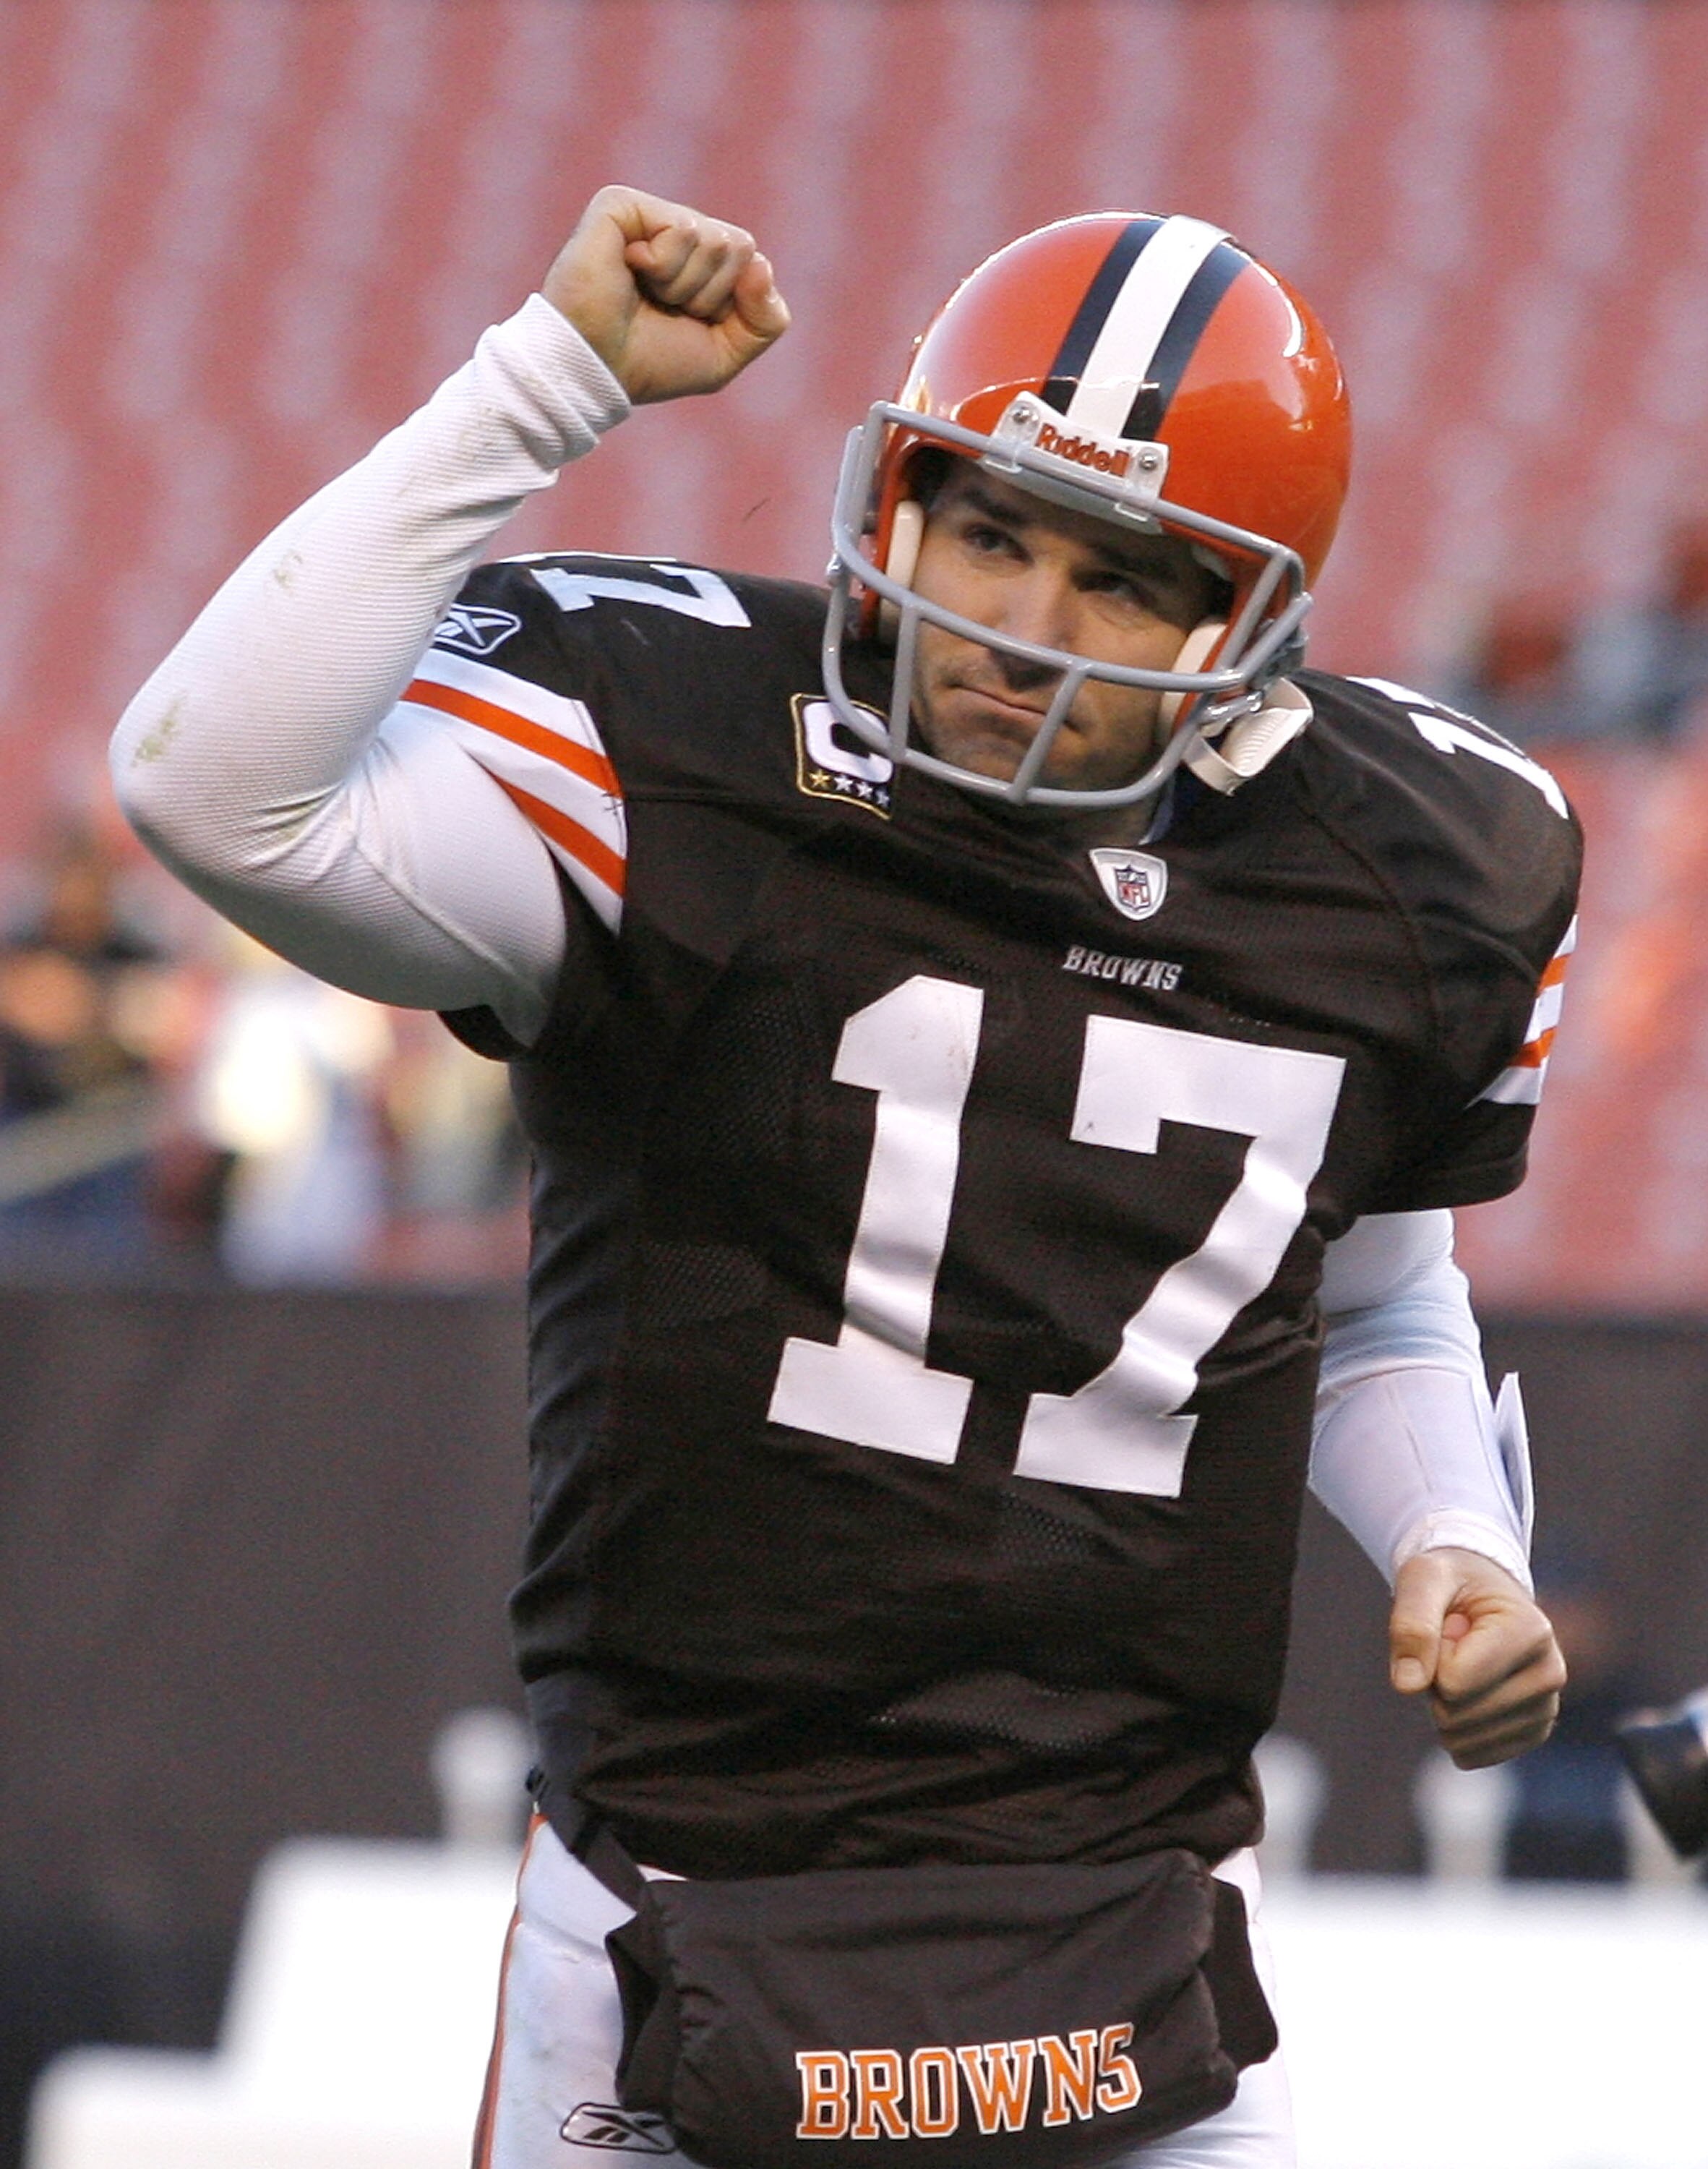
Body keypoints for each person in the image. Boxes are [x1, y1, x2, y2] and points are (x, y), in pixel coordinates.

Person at [113, 189, 1579, 2169]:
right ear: (893, 500)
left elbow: (1369, 1289)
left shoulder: (1414, 868)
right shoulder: (701, 752)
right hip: (683, 1904)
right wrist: (537, 388)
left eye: (1122, 580)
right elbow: (215, 786)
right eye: (989, 529)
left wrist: (1451, 1547)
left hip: (1116, 1948)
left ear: (1250, 628)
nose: (1019, 631)